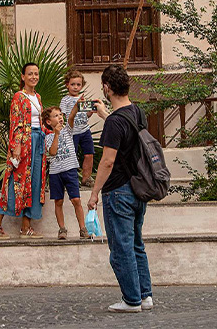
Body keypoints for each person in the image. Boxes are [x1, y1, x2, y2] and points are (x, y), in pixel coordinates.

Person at [87, 64, 153, 313]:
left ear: (106, 87)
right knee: (136, 244)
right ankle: (145, 295)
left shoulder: (115, 122)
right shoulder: (138, 113)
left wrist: (94, 194)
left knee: (121, 248)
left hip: (118, 192)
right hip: (138, 189)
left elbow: (108, 161)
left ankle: (131, 300)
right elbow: (127, 135)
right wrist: (106, 115)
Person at [0, 63, 46, 239]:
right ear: (23, 77)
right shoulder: (19, 97)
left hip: (38, 142)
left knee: (35, 182)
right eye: (30, 74)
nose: (33, 77)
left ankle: (26, 227)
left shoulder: (37, 96)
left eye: (36, 74)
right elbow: (15, 123)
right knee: (15, 182)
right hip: (23, 143)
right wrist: (16, 148)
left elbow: (41, 121)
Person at [42, 102, 90, 240]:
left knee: (76, 200)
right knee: (58, 201)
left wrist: (78, 104)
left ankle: (82, 228)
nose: (60, 117)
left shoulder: (68, 129)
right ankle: (62, 229)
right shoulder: (48, 137)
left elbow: (72, 116)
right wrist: (56, 135)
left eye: (60, 114)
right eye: (56, 116)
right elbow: (52, 152)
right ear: (49, 121)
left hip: (70, 170)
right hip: (55, 173)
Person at [60, 69, 95, 187]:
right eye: (73, 84)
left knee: (89, 154)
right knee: (72, 156)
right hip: (72, 132)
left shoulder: (83, 98)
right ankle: (72, 179)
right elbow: (64, 116)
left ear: (82, 85)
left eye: (78, 84)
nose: (75, 87)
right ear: (67, 85)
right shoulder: (65, 100)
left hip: (85, 130)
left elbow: (87, 116)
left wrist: (91, 110)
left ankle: (86, 178)